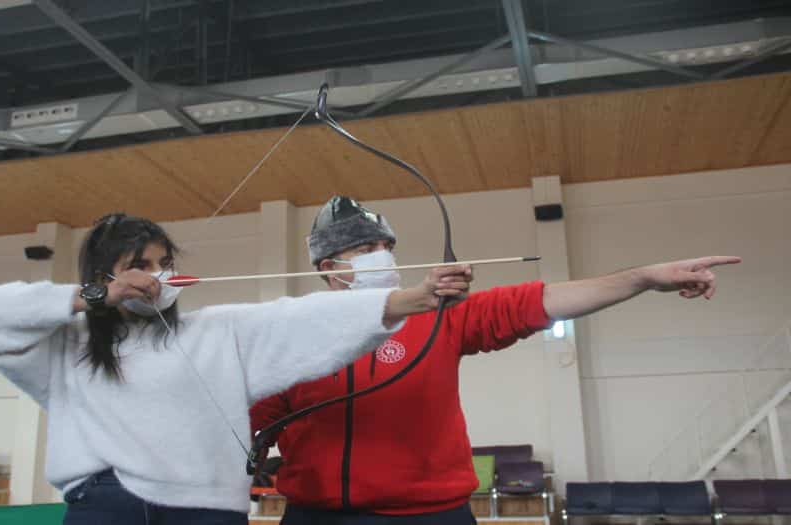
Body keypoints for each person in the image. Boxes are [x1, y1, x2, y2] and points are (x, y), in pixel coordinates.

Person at [251, 196, 741, 525]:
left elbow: (540, 301)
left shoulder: (438, 314)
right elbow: (243, 411)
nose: (382, 257)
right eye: (364, 248)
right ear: (328, 267)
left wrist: (642, 278)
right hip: (319, 515)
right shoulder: (294, 331)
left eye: (385, 247)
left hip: (433, 514)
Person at [0, 212, 472, 525]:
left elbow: (297, 320)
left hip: (208, 509)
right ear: (102, 275)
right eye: (137, 264)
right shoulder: (61, 350)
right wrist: (91, 297)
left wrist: (411, 299)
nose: (153, 276)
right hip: (110, 503)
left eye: (162, 263)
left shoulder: (212, 330)